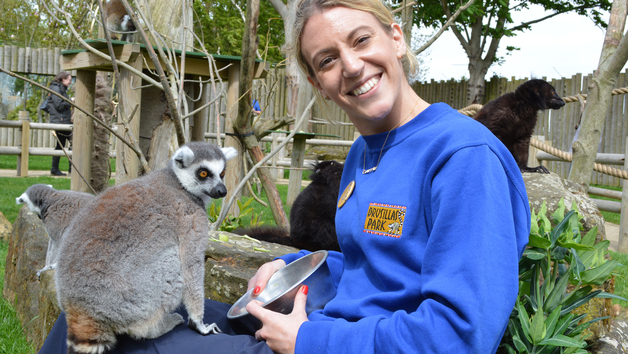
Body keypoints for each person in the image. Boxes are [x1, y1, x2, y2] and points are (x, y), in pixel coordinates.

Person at [39, 1, 530, 353]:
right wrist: (296, 267)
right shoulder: (366, 150)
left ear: (395, 38)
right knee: (84, 312)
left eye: (361, 40)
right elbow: (373, 268)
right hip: (325, 326)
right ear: (318, 82)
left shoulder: (464, 158)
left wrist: (312, 340)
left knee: (117, 343)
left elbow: (460, 336)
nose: (352, 66)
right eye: (327, 60)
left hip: (331, 342)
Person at [47, 71, 74, 176]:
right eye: (69, 80)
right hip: (60, 122)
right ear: (63, 79)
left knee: (60, 145)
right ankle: (72, 169)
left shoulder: (59, 89)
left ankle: (55, 169)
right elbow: (59, 105)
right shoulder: (56, 89)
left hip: (62, 121)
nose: (71, 82)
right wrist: (70, 101)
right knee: (73, 142)